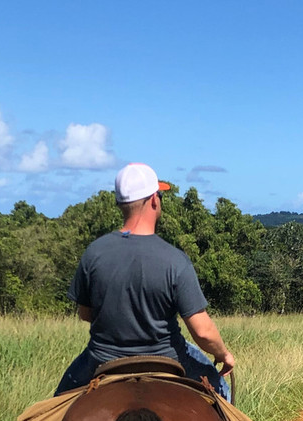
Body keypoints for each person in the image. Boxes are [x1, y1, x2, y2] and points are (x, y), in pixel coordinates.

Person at [55, 162, 234, 401]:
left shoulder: (94, 253)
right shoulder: (175, 260)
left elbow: (85, 314)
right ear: (153, 200)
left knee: (54, 407)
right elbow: (202, 332)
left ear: (121, 204)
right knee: (222, 392)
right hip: (168, 357)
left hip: (102, 359)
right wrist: (224, 355)